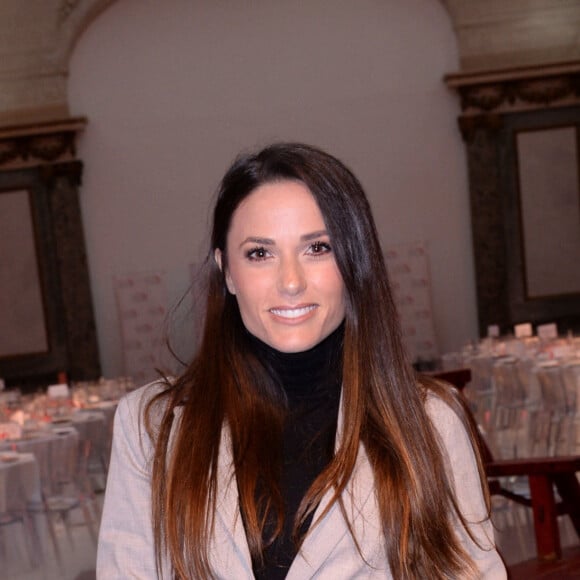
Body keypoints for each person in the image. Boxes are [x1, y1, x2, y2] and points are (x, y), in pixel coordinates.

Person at [97, 142, 507, 579]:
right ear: (227, 271)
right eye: (260, 253)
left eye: (318, 248)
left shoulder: (430, 422)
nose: (290, 282)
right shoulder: (152, 427)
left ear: (354, 261)